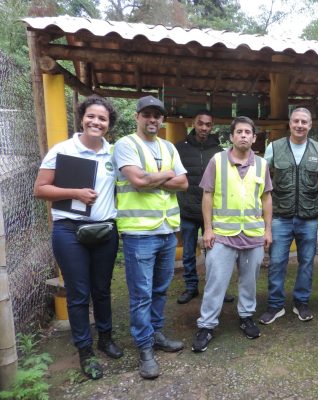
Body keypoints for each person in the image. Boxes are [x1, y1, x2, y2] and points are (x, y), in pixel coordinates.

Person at [34, 95, 123, 380]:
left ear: (109, 125)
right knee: (78, 293)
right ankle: (85, 351)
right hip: (70, 231)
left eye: (102, 118)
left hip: (105, 230)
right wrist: (75, 193)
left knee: (102, 289)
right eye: (92, 116)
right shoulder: (62, 150)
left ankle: (105, 339)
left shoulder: (114, 154)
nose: (96, 122)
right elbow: (41, 189)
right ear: (82, 118)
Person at [113, 95, 188, 379]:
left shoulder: (168, 146)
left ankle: (156, 334)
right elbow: (138, 181)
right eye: (147, 114)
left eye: (157, 115)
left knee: (160, 290)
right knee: (141, 294)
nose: (152, 119)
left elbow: (184, 183)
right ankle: (144, 347)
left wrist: (156, 176)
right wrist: (167, 173)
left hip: (167, 230)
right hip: (139, 233)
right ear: (137, 117)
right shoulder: (125, 145)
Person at [192, 116, 272, 352]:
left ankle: (246, 316)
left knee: (249, 281)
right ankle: (206, 325)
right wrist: (207, 229)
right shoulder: (217, 161)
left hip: (253, 234)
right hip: (222, 234)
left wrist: (268, 230)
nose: (244, 135)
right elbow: (207, 195)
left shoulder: (262, 164)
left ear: (254, 137)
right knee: (216, 281)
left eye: (248, 132)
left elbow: (266, 197)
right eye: (239, 132)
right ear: (232, 136)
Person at [259, 108, 318, 324]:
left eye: (304, 122)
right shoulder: (275, 147)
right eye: (296, 121)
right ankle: (275, 305)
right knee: (277, 261)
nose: (299, 125)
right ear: (290, 123)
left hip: (309, 216)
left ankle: (302, 303)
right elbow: (261, 175)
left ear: (310, 125)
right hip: (280, 215)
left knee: (306, 261)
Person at [175, 109, 234, 305]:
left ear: (212, 127)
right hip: (188, 210)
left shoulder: (219, 151)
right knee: (189, 252)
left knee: (215, 253)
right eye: (201, 123)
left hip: (213, 211)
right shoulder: (180, 149)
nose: (204, 128)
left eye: (208, 125)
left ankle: (215, 286)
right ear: (194, 123)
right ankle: (191, 287)